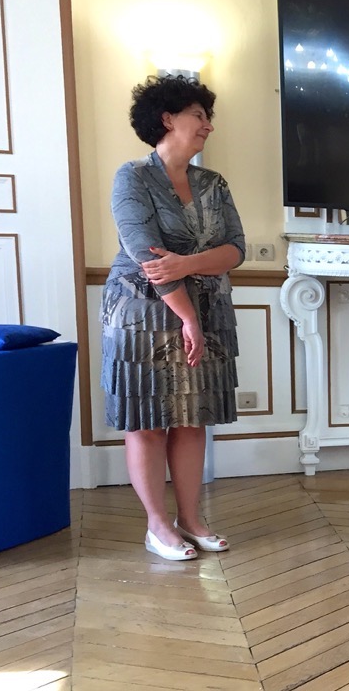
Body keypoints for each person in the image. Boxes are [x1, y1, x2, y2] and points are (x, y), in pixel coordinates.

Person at [101, 75, 245, 561]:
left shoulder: (214, 183)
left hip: (207, 309)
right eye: (198, 115)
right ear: (167, 118)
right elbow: (146, 256)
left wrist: (187, 264)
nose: (208, 125)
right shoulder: (132, 177)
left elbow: (235, 249)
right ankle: (157, 526)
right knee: (147, 420)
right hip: (142, 313)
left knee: (192, 417)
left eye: (208, 117)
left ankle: (191, 519)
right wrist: (187, 316)